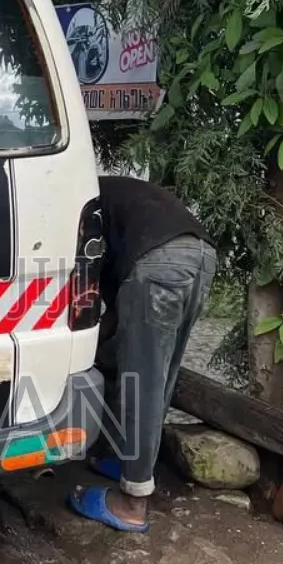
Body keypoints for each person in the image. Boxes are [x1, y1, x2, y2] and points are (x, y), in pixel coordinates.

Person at [68, 176, 217, 534]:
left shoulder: (76, 204)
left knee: (142, 382)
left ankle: (132, 504)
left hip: (158, 264)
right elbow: (115, 318)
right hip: (201, 256)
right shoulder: (102, 190)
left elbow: (85, 296)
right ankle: (123, 460)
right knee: (158, 373)